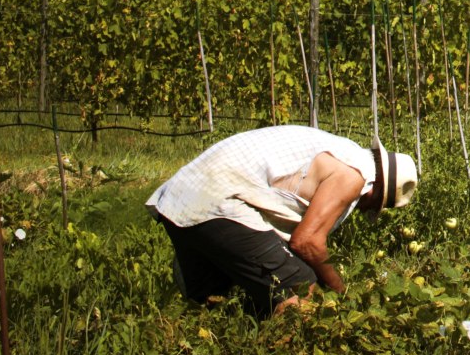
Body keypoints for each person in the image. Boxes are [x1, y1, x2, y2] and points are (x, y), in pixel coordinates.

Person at [146, 125, 418, 318]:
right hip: (220, 198)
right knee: (300, 285)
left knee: (212, 305)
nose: (363, 209)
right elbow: (307, 242)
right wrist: (339, 289)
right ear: (377, 189)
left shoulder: (342, 151)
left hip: (183, 195)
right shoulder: (354, 175)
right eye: (374, 205)